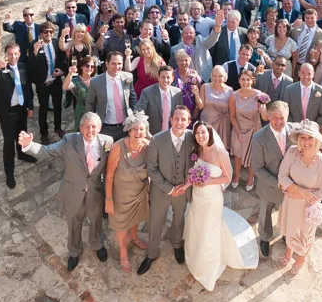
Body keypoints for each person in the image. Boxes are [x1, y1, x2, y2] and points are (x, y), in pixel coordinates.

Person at [19, 113, 112, 271]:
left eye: (94, 126)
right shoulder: (69, 141)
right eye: (87, 126)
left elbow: (108, 166)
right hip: (73, 192)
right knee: (74, 223)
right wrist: (29, 145)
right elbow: (47, 151)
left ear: (100, 128)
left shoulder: (107, 142)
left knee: (96, 221)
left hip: (95, 192)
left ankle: (97, 244)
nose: (91, 130)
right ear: (81, 128)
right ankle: (74, 251)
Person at [183, 121, 259, 290]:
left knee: (209, 228)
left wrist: (207, 181)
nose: (200, 136)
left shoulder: (219, 151)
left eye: (203, 132)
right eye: (197, 134)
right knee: (197, 224)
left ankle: (206, 267)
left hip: (211, 199)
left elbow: (227, 177)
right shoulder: (198, 150)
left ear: (209, 133)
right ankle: (194, 254)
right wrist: (188, 184)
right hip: (198, 196)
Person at [138, 106, 195, 275]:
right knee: (155, 222)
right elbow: (151, 169)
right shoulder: (157, 139)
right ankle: (152, 253)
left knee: (179, 219)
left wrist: (186, 186)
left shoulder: (193, 137)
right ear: (170, 120)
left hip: (183, 190)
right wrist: (170, 189)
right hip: (161, 191)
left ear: (189, 122)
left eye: (183, 119)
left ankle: (177, 244)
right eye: (176, 118)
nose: (179, 122)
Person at [277, 119, 322, 275]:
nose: (306, 142)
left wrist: (303, 195)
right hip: (290, 202)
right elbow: (282, 176)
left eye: (310, 138)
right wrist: (300, 191)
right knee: (290, 230)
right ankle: (288, 253)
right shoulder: (292, 152)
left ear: (316, 140)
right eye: (303, 137)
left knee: (304, 236)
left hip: (308, 207)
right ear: (299, 139)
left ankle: (300, 259)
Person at [104, 113, 151, 273]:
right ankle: (123, 252)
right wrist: (108, 199)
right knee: (120, 224)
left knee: (137, 218)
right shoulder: (118, 147)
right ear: (129, 131)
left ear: (146, 131)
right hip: (121, 196)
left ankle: (134, 236)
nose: (139, 132)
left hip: (139, 194)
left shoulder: (148, 146)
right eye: (135, 129)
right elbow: (109, 174)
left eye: (142, 129)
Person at [0, 43, 37, 189]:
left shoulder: (22, 67)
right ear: (6, 55)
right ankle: (9, 173)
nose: (13, 57)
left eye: (15, 54)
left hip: (21, 109)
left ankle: (22, 154)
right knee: (8, 142)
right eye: (10, 54)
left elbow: (27, 88)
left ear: (19, 53)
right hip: (7, 112)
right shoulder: (1, 69)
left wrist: (30, 106)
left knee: (21, 135)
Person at [250, 101, 292, 257]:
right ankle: (265, 238)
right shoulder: (259, 138)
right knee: (265, 212)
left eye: (282, 117)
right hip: (269, 185)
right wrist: (279, 184)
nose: (279, 122)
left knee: (288, 211)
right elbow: (258, 168)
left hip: (293, 185)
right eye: (275, 117)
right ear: (268, 117)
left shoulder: (295, 131)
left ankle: (287, 234)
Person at [228, 69, 267, 191]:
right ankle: (237, 174)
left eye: (248, 79)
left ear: (252, 80)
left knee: (252, 155)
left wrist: (262, 109)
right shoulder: (233, 96)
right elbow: (232, 116)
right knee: (238, 153)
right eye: (243, 79)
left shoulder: (259, 95)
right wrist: (238, 132)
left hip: (254, 128)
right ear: (239, 80)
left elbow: (265, 117)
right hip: (238, 127)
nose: (245, 82)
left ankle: (251, 177)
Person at [86, 51, 137, 141]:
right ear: (107, 63)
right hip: (105, 128)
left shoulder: (128, 77)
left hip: (125, 127)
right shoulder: (96, 82)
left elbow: (132, 99)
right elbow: (90, 103)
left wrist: (133, 116)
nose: (117, 67)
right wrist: (93, 123)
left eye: (119, 63)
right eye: (113, 63)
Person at [30, 22, 68, 141]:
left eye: (51, 32)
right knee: (43, 109)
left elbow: (63, 60)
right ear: (41, 33)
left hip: (56, 82)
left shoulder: (57, 43)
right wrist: (35, 52)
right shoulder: (34, 45)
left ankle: (58, 128)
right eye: (46, 32)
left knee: (58, 106)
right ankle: (44, 133)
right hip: (43, 84)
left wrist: (62, 71)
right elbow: (30, 65)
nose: (49, 34)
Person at [135, 65, 184, 135]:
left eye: (168, 77)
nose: (165, 80)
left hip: (172, 133)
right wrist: (145, 130)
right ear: (158, 78)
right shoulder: (147, 92)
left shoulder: (177, 92)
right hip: (152, 134)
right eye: (163, 77)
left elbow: (180, 113)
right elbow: (138, 112)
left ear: (172, 79)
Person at [171, 14, 221, 82]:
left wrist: (218, 25)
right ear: (182, 35)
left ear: (195, 34)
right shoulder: (175, 49)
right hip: (187, 83)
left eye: (191, 33)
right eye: (186, 33)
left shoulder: (201, 41)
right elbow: (172, 68)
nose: (188, 35)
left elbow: (212, 39)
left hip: (205, 79)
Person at [281, 63, 322, 133]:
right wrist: (293, 127)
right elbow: (286, 111)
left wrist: (314, 128)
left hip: (313, 132)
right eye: (303, 73)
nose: (306, 76)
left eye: (309, 73)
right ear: (299, 73)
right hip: (293, 130)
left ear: (313, 74)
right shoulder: (289, 90)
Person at [200, 65, 233, 154]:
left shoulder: (230, 90)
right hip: (208, 122)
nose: (217, 78)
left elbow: (232, 109)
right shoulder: (204, 86)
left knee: (220, 151)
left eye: (220, 76)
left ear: (225, 76)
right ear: (211, 76)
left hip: (223, 124)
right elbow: (200, 106)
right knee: (206, 148)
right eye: (214, 76)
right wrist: (196, 94)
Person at [63, 56, 95, 132]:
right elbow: (65, 87)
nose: (90, 68)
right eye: (87, 65)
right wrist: (70, 74)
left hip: (95, 111)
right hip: (81, 112)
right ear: (82, 67)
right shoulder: (76, 80)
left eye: (92, 66)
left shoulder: (97, 79)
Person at [172, 49, 205, 119]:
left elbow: (200, 93)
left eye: (186, 60)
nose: (184, 63)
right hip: (175, 109)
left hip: (192, 111)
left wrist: (196, 108)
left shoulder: (195, 75)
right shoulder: (172, 74)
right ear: (177, 61)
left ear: (190, 61)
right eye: (181, 60)